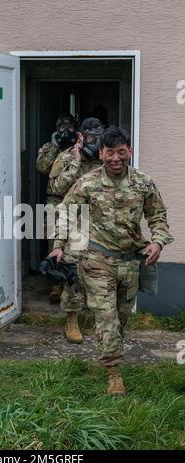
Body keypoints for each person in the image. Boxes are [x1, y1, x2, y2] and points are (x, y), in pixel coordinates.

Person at [49, 127, 173, 394]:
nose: (115, 158)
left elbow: (158, 217)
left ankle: (109, 346)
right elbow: (67, 213)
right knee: (106, 317)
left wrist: (158, 241)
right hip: (97, 259)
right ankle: (114, 373)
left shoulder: (143, 183)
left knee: (121, 318)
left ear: (130, 151)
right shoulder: (88, 182)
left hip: (130, 263)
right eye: (109, 153)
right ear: (102, 153)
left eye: (121, 152)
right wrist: (58, 245)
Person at [48, 117, 103, 342]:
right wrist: (76, 162)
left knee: (99, 270)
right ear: (81, 135)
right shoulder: (65, 157)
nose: (95, 142)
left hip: (100, 224)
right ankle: (71, 319)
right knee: (73, 272)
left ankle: (100, 318)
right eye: (91, 137)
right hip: (74, 223)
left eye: (98, 137)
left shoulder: (106, 157)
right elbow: (57, 187)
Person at [37, 113, 78, 303]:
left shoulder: (80, 148)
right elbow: (42, 167)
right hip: (55, 200)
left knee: (76, 241)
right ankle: (56, 285)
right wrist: (54, 146)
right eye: (62, 127)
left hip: (77, 201)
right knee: (54, 242)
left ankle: (74, 285)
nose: (66, 131)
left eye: (70, 127)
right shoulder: (49, 147)